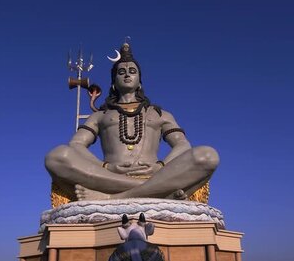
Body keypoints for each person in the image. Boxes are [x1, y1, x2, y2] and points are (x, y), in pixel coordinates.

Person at [45, 41, 219, 201]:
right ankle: (155, 191)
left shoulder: (159, 114)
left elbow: (183, 145)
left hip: (155, 174)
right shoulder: (100, 115)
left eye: (132, 71)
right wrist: (104, 166)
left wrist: (160, 167)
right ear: (113, 83)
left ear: (139, 82)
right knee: (56, 156)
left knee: (208, 155)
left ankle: (112, 199)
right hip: (108, 176)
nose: (127, 75)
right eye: (121, 72)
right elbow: (76, 145)